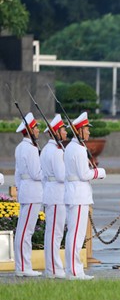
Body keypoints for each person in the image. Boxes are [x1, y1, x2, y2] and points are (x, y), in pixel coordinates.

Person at [64, 112, 106, 280]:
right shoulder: (79, 149)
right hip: (78, 195)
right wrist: (100, 172)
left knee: (73, 234)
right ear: (79, 131)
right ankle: (74, 271)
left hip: (74, 194)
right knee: (76, 235)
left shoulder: (71, 148)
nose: (88, 133)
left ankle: (73, 269)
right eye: (86, 129)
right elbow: (84, 174)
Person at [14, 112, 43, 277]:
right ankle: (24, 267)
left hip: (26, 190)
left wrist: (20, 188)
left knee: (23, 230)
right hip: (32, 192)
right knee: (26, 231)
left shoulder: (20, 147)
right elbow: (36, 173)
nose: (38, 130)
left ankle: (22, 266)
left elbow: (18, 174)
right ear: (30, 130)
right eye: (36, 127)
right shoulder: (31, 149)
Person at [41, 114, 68, 279]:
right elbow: (61, 175)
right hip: (57, 195)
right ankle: (54, 269)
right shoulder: (57, 151)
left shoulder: (46, 149)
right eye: (63, 130)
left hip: (51, 193)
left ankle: (52, 268)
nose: (65, 133)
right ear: (56, 132)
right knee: (55, 233)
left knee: (52, 232)